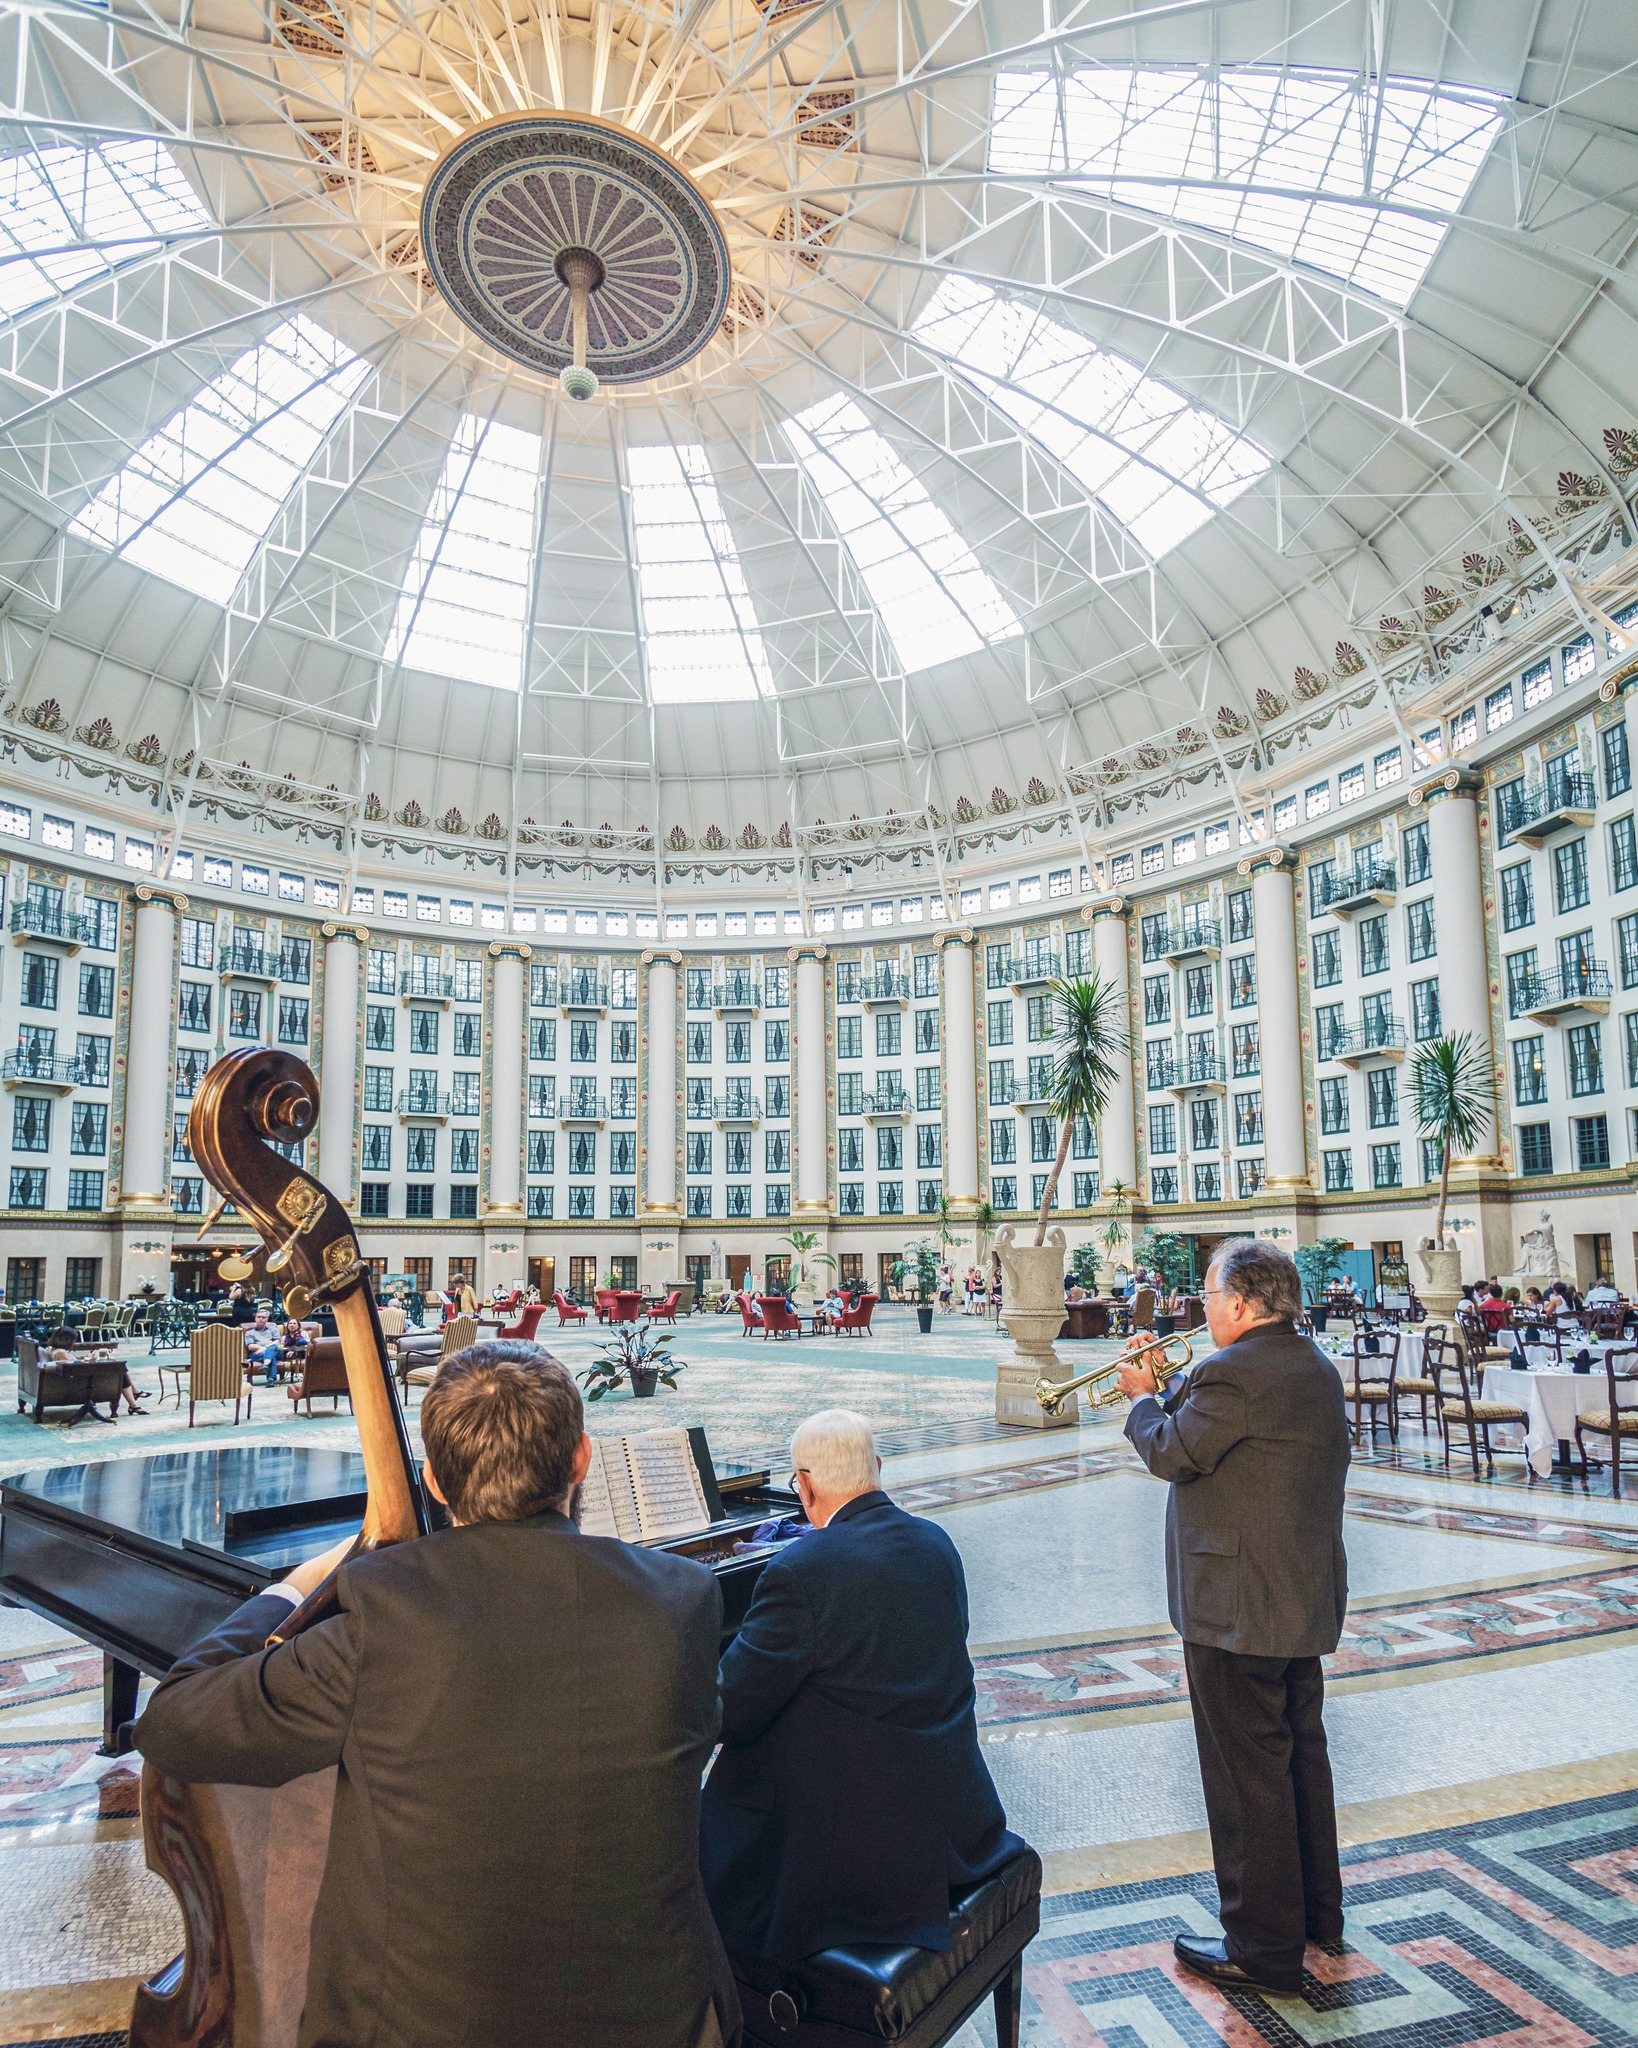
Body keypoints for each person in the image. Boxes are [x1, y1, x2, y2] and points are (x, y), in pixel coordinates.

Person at [135, 1343, 739, 2048]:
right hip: (659, 2018)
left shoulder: (387, 1616)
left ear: (436, 1481)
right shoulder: (681, 1603)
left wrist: (293, 1588)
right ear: (580, 1460)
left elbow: (174, 1720)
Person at [700, 1408, 1020, 1968]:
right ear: (876, 1468)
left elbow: (728, 1711)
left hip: (862, 1850)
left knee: (706, 1831)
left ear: (803, 1484)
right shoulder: (935, 1542)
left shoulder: (802, 1570)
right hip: (956, 1815)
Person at [1117, 1238, 1350, 1996]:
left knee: (1245, 1779)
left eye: (1210, 1297)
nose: (1202, 1307)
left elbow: (1171, 1451)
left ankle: (1261, 1946)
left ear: (1242, 1304)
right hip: (1297, 1601)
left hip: (1234, 1612)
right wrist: (1171, 1378)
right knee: (1298, 1762)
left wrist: (1142, 1398)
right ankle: (1317, 1917)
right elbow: (1222, 1415)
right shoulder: (1308, 1364)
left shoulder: (1232, 1374)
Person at [44, 1326, 146, 1414]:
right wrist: (89, 1359)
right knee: (120, 1370)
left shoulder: (52, 1349)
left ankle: (134, 1400)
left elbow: (68, 1363)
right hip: (82, 1382)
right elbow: (73, 1369)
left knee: (121, 1369)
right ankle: (134, 1402)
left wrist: (81, 1358)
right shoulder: (61, 1352)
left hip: (75, 1379)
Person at [242, 1307, 283, 1386]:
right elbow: (250, 1346)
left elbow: (277, 1342)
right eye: (259, 1317)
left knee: (272, 1349)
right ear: (255, 1318)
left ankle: (266, 1365)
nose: (261, 1319)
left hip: (273, 1350)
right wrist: (263, 1348)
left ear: (267, 1319)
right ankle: (271, 1379)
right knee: (271, 1355)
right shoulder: (249, 1333)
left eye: (263, 1317)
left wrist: (266, 1348)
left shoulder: (273, 1329)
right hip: (257, 1353)